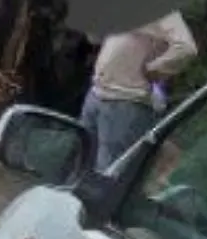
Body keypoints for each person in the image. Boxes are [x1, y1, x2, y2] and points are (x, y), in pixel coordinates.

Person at [79, 11, 197, 170]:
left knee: (108, 171)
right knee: (79, 162)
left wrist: (156, 68)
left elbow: (186, 48)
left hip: (125, 102)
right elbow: (94, 39)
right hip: (97, 94)